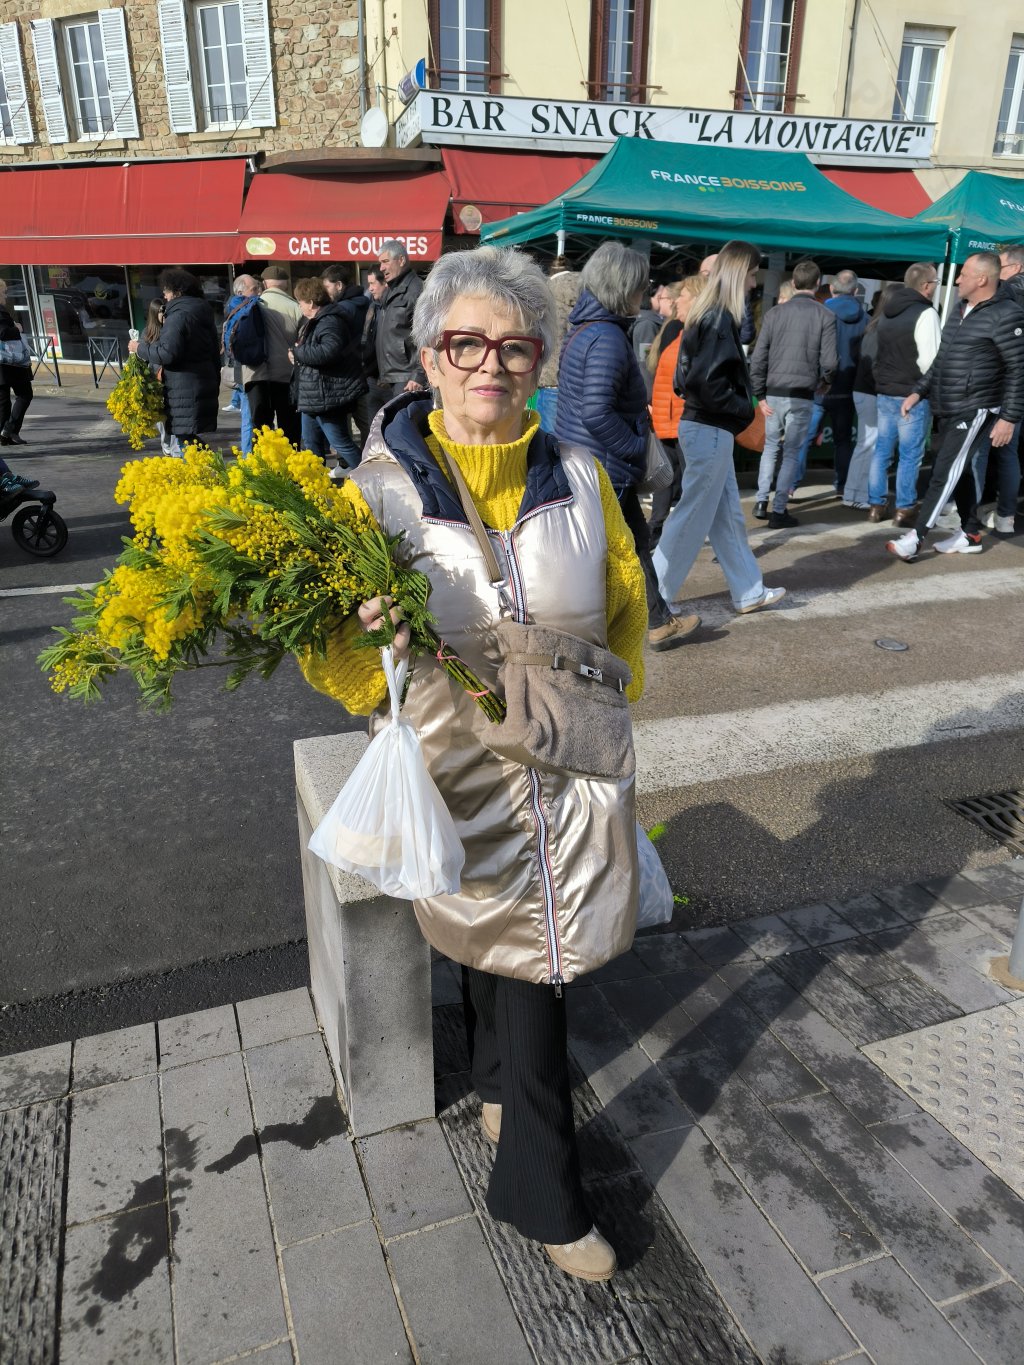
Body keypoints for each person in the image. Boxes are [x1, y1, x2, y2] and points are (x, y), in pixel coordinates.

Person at [303, 244, 647, 1283]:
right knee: (511, 946)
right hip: (454, 769)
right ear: (427, 357)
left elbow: (625, 600)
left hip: (564, 766)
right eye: (465, 344)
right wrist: (369, 637)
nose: (489, 364)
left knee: (537, 957)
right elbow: (334, 662)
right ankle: (545, 1195)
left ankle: (504, 1096)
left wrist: (608, 700)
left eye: (514, 346)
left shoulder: (579, 475)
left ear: (541, 361)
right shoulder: (374, 495)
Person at [556, 241, 699, 650]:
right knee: (619, 551)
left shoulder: (586, 328)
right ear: (624, 288)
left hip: (590, 461)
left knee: (632, 545)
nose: (645, 292)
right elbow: (596, 412)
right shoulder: (606, 337)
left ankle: (657, 621)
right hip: (604, 465)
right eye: (641, 285)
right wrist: (637, 448)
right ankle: (609, 629)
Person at [652, 240, 786, 617]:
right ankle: (653, 599)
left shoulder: (708, 313)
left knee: (725, 516)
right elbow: (703, 382)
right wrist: (744, 410)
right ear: (740, 272)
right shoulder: (717, 316)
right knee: (692, 515)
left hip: (706, 428)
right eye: (753, 274)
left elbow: (688, 379)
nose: (755, 283)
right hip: (709, 429)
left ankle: (748, 590)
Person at [887, 251, 1024, 560]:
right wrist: (918, 392)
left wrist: (1009, 418)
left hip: (977, 406)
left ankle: (916, 537)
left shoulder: (1007, 313)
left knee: (944, 471)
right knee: (959, 471)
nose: (958, 279)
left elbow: (1018, 369)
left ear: (982, 279)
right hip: (947, 404)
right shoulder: (960, 308)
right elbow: (942, 359)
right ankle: (970, 533)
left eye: (964, 274)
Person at [749, 259, 838, 527]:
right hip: (802, 393)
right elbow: (831, 362)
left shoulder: (774, 314)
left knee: (770, 448)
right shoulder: (825, 315)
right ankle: (778, 510)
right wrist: (825, 382)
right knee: (790, 452)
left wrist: (759, 394)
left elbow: (758, 357)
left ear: (794, 283)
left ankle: (761, 501)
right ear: (818, 283)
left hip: (774, 391)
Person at [867, 262, 942, 524]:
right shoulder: (926, 313)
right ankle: (905, 508)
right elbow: (931, 361)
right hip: (912, 393)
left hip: (886, 390)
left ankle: (876, 505)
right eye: (935, 282)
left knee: (882, 451)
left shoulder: (887, 312)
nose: (936, 287)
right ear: (926, 285)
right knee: (909, 455)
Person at [128, 268, 220, 452]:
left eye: (166, 290)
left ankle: (210, 466)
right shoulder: (201, 310)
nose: (164, 295)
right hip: (202, 381)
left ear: (177, 291)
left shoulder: (178, 315)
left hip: (183, 388)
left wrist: (139, 348)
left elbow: (167, 353)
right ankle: (208, 465)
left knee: (185, 438)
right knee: (187, 438)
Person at [647, 277, 704, 547]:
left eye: (681, 297)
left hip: (671, 415)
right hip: (674, 415)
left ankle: (657, 529)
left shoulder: (675, 329)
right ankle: (661, 530)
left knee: (671, 477)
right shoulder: (679, 330)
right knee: (682, 478)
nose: (675, 301)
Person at [290, 277, 367, 474]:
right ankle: (316, 484)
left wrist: (298, 353)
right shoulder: (316, 321)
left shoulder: (329, 320)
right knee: (311, 444)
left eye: (300, 302)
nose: (299, 306)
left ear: (310, 302)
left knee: (341, 443)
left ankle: (371, 478)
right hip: (314, 395)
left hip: (327, 395)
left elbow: (329, 351)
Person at [844, 286, 896, 510]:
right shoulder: (879, 328)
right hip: (870, 391)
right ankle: (857, 494)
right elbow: (872, 365)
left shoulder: (874, 325)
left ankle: (855, 493)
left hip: (866, 390)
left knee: (868, 444)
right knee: (869, 445)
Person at [242, 265, 302, 445]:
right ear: (286, 284)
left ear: (265, 283)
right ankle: (290, 460)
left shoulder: (252, 304)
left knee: (260, 428)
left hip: (255, 374)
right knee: (289, 427)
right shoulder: (296, 307)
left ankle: (262, 461)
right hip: (286, 375)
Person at [823, 270, 868, 497]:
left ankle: (790, 485)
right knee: (843, 440)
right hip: (849, 386)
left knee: (802, 439)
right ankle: (842, 484)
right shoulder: (866, 319)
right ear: (856, 290)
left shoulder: (820, 312)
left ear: (831, 288)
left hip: (820, 386)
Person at [534, 258, 582, 433]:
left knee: (549, 441)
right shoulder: (587, 293)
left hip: (551, 381)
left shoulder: (544, 295)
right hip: (580, 382)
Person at [376, 240, 426, 398]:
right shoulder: (390, 290)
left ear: (401, 260)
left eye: (385, 261)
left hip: (407, 379)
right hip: (390, 377)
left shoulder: (416, 290)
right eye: (380, 263)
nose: (381, 268)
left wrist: (419, 375)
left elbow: (427, 335)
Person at [223, 274, 261, 454]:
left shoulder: (232, 308)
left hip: (239, 369)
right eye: (254, 289)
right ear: (240, 292)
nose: (258, 292)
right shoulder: (250, 309)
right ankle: (249, 456)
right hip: (251, 370)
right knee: (250, 418)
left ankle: (247, 455)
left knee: (247, 417)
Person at [352, 266, 388, 447]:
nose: (370, 288)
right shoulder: (372, 307)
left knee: (392, 427)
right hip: (372, 375)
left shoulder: (392, 307)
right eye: (369, 284)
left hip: (391, 377)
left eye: (373, 283)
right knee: (373, 428)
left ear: (385, 283)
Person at [0, 277, 33, 447]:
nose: (6, 295)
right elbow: (3, 333)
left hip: (4, 364)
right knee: (25, 394)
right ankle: (9, 430)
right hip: (9, 362)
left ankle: (5, 435)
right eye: (4, 292)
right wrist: (17, 329)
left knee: (3, 400)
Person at [141, 299, 175, 456]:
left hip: (171, 377)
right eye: (161, 311)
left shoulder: (172, 329)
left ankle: (171, 443)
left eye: (166, 311)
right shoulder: (148, 333)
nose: (164, 315)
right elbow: (142, 357)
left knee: (171, 412)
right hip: (156, 380)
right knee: (162, 415)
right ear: (155, 313)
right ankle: (166, 441)